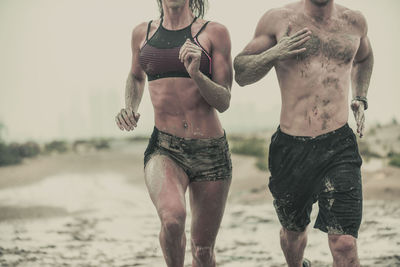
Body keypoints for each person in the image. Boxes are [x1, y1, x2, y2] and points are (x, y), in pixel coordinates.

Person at [234, 0, 373, 266]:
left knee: (344, 243)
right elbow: (241, 71)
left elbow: (365, 58)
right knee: (293, 234)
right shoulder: (278, 19)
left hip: (339, 145)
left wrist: (361, 97)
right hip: (291, 148)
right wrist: (275, 52)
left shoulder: (354, 22)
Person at [115, 0, 233, 266]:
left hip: (210, 151)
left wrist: (197, 74)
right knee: (172, 219)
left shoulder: (215, 33)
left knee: (202, 251)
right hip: (165, 148)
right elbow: (135, 77)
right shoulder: (142, 34)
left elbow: (224, 100)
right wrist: (129, 107)